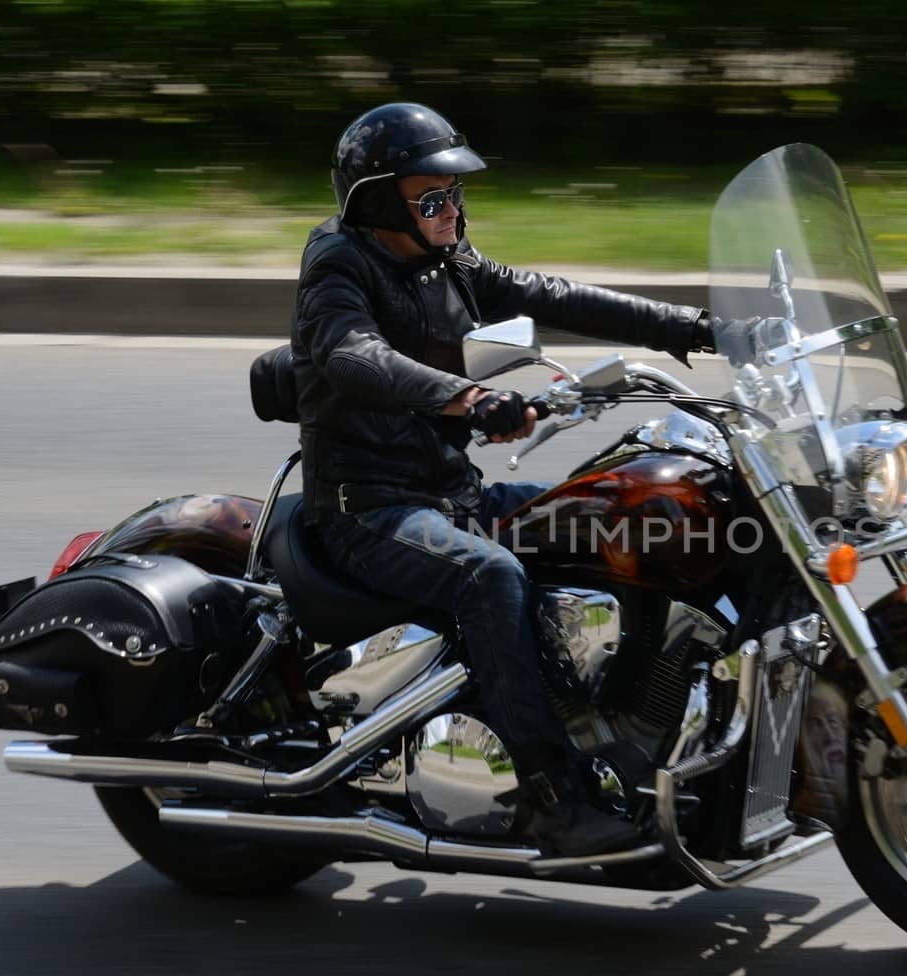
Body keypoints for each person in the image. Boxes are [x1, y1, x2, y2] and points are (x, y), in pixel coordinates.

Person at [289, 102, 725, 856]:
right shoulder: (339, 263)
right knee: (489, 578)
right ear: (379, 201)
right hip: (369, 507)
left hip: (448, 490)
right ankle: (549, 796)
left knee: (615, 516)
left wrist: (689, 325)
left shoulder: (445, 257)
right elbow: (355, 355)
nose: (452, 208)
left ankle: (649, 732)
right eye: (433, 197)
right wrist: (471, 398)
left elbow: (547, 293)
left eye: (456, 193)